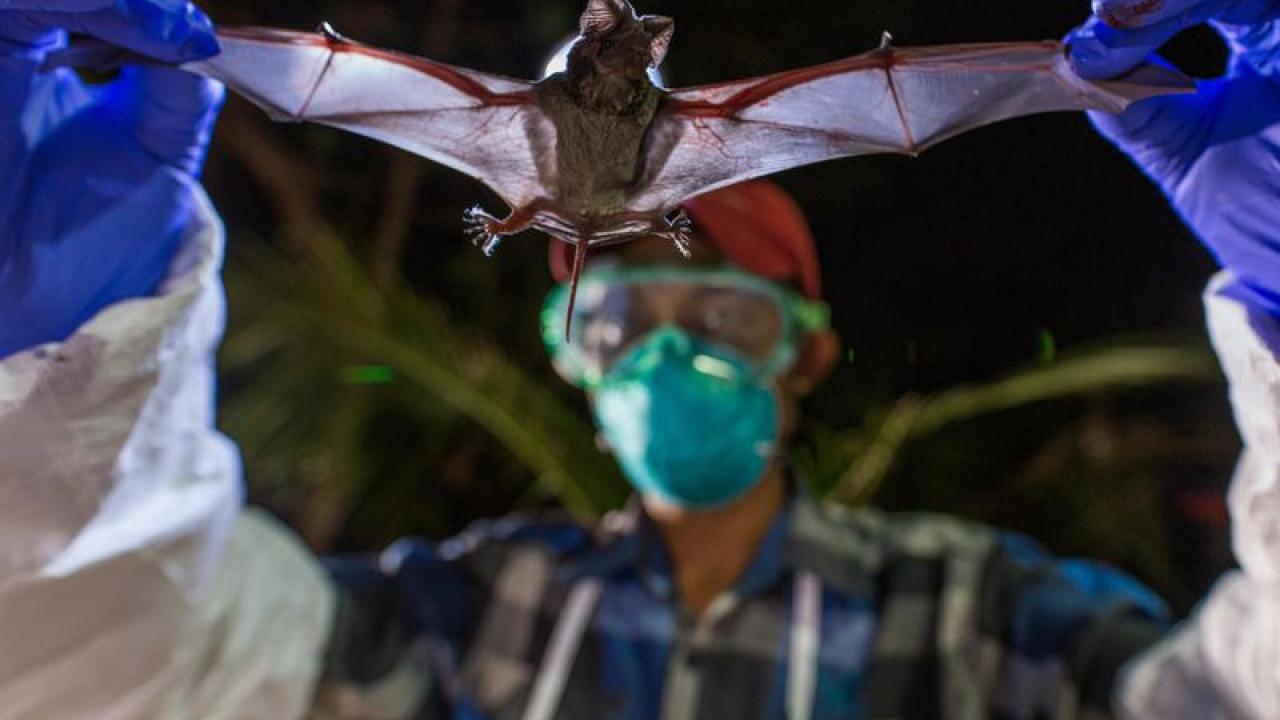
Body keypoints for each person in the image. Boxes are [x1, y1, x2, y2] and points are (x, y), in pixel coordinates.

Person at [0, 0, 1276, 717]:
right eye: (622, 322)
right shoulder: (444, 615)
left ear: (807, 353)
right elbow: (134, 657)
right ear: (570, 354)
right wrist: (52, 379)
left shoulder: (982, 620)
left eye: (725, 319)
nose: (669, 354)